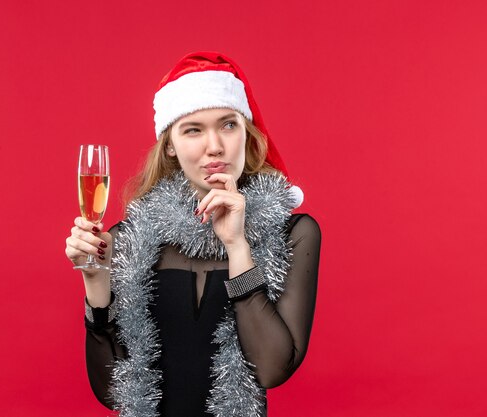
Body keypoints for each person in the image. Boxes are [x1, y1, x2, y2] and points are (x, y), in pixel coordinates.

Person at [65, 52, 321, 417]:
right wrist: (95, 281)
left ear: (246, 135)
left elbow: (271, 369)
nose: (213, 145)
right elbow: (115, 394)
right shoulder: (130, 239)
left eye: (228, 125)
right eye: (193, 129)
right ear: (170, 145)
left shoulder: (293, 232)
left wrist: (237, 244)